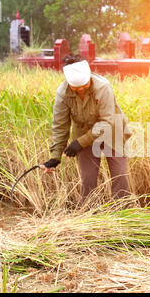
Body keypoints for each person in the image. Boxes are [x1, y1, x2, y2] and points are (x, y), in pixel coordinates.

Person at [40, 55, 132, 205]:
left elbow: (107, 121)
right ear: (69, 84)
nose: (81, 90)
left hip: (112, 131)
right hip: (83, 132)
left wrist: (80, 143)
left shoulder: (103, 87)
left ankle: (121, 213)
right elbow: (60, 125)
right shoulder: (62, 94)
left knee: (119, 175)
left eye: (84, 85)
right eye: (76, 88)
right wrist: (55, 157)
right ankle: (89, 215)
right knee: (88, 178)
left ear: (89, 77)